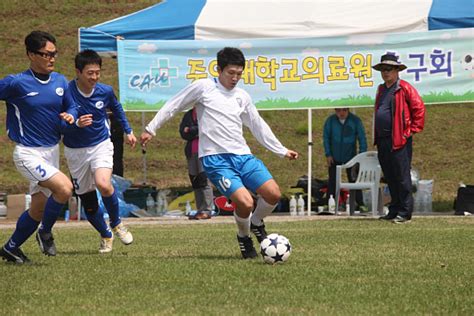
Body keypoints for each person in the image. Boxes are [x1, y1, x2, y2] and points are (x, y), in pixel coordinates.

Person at [140, 47, 298, 259]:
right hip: (215, 160)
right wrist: (151, 128)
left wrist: (281, 150)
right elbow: (174, 104)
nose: (235, 78)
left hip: (242, 156)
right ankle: (244, 237)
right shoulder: (204, 87)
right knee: (245, 202)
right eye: (230, 73)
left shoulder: (242, 96)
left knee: (273, 194)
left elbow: (257, 125)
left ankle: (256, 223)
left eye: (239, 74)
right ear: (219, 69)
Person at [0, 31, 77, 264]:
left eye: (54, 54)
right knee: (64, 189)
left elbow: (72, 106)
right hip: (27, 153)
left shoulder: (61, 81)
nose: (52, 58)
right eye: (46, 54)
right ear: (31, 55)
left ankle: (10, 248)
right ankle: (45, 232)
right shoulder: (16, 83)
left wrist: (71, 116)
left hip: (52, 152)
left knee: (38, 208)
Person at [57, 49, 136, 253]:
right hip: (75, 151)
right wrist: (75, 125)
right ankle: (105, 234)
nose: (94, 77)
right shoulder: (66, 92)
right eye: (90, 73)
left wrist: (128, 131)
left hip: (101, 144)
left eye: (97, 72)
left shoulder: (105, 91)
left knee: (104, 184)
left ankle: (117, 224)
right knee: (89, 203)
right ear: (78, 71)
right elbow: (59, 124)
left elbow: (117, 109)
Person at [373, 52, 425, 223]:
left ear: (397, 71)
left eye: (389, 69)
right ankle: (394, 209)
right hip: (383, 140)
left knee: (402, 176)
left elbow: (419, 108)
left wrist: (411, 130)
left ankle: (405, 212)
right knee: (389, 176)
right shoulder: (382, 89)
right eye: (383, 69)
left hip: (399, 139)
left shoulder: (404, 87)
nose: (386, 72)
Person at [323, 108, 367, 211]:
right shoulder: (330, 121)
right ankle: (329, 203)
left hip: (351, 157)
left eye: (344, 110)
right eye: (338, 111)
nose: (341, 113)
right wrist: (328, 154)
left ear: (348, 110)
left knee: (354, 180)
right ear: (335, 110)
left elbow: (362, 138)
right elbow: (326, 138)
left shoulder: (355, 120)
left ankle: (360, 203)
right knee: (332, 180)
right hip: (334, 157)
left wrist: (361, 156)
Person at [179, 107, 214, 220]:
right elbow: (182, 132)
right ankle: (200, 210)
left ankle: (207, 210)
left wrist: (190, 130)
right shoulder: (189, 114)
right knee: (195, 180)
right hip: (191, 151)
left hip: (205, 151)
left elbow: (207, 129)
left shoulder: (207, 112)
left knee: (204, 180)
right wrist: (194, 131)